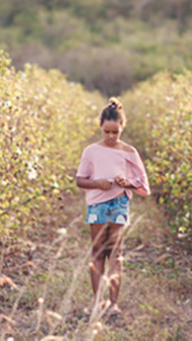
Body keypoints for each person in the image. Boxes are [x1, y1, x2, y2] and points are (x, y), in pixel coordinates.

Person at [75, 97, 151, 317]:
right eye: (107, 132)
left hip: (119, 203)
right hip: (97, 205)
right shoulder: (91, 151)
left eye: (115, 132)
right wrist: (97, 183)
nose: (110, 137)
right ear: (100, 127)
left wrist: (128, 183)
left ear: (122, 129)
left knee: (116, 254)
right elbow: (80, 180)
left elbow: (142, 182)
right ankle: (97, 303)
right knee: (98, 252)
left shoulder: (129, 152)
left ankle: (113, 304)